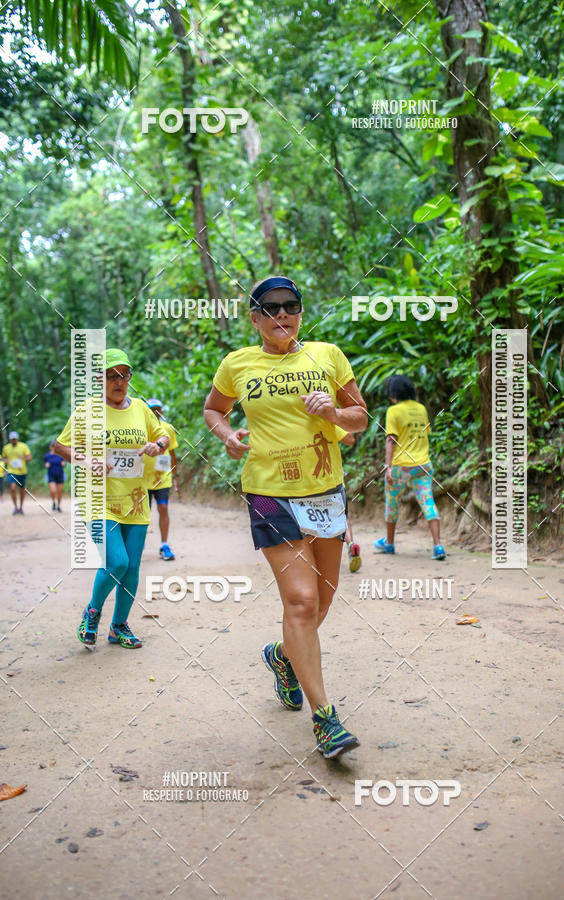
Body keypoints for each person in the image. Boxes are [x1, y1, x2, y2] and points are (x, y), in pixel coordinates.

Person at [204, 275, 368, 759]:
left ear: (300, 312)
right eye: (270, 308)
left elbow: (361, 415)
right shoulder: (237, 364)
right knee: (299, 602)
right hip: (269, 494)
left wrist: (337, 415)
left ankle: (282, 657)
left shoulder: (327, 355)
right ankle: (326, 720)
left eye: (291, 306)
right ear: (254, 318)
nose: (282, 315)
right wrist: (227, 435)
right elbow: (214, 409)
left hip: (324, 492)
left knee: (320, 603)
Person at [54, 348, 169, 650]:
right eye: (111, 376)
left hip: (135, 501)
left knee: (132, 569)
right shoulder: (87, 409)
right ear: (100, 379)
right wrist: (86, 460)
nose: (119, 382)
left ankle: (119, 627)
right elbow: (60, 446)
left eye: (124, 375)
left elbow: (164, 436)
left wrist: (158, 445)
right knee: (116, 561)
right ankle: (92, 612)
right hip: (98, 500)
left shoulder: (142, 408)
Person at [374, 374, 446, 560]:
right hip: (422, 465)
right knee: (428, 501)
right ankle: (438, 546)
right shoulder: (421, 409)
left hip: (400, 466)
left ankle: (389, 544)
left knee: (392, 503)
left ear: (393, 394)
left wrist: (387, 466)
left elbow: (391, 440)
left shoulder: (394, 411)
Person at [142, 399, 179, 560]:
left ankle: (164, 544)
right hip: (142, 479)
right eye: (152, 409)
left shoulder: (168, 429)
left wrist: (176, 476)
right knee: (143, 514)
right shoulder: (140, 428)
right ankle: (137, 545)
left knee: (163, 508)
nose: (155, 412)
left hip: (163, 478)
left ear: (161, 411)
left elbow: (172, 454)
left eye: (158, 409)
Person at [335, 425, 361, 572]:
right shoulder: (326, 421)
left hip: (307, 486)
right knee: (344, 518)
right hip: (335, 483)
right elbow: (350, 438)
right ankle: (350, 544)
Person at [2, 431, 32, 515]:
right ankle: (15, 507)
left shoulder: (23, 446)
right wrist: (5, 462)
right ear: (10, 439)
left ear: (17, 439)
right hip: (11, 471)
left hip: (22, 471)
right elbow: (4, 458)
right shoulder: (6, 448)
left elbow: (30, 458)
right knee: (12, 488)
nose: (14, 441)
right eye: (12, 439)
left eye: (15, 439)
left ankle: (21, 507)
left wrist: (23, 457)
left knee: (22, 490)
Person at [44, 441, 66, 511]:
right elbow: (45, 464)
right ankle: (53, 502)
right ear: (50, 447)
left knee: (59, 492)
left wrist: (63, 464)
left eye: (55, 446)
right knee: (53, 491)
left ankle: (58, 505)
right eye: (52, 446)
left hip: (60, 475)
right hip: (51, 475)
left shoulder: (61, 455)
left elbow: (64, 464)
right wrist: (46, 465)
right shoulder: (47, 456)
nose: (54, 448)